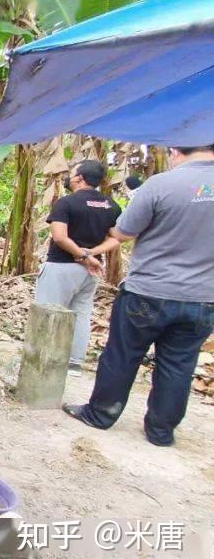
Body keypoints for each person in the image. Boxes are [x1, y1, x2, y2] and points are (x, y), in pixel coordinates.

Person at [63, 144, 214, 446]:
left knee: (123, 355)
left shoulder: (161, 185)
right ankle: (161, 432)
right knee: (179, 364)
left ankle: (101, 414)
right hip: (203, 297)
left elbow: (123, 232)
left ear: (175, 151)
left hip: (149, 291)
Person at [33, 160, 121, 372]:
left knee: (48, 311)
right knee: (80, 314)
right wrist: (92, 254)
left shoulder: (66, 203)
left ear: (79, 178)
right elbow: (117, 238)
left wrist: (82, 254)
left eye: (72, 173)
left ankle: (40, 360)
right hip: (90, 271)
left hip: (62, 265)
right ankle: (74, 363)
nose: (68, 176)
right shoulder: (111, 205)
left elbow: (60, 237)